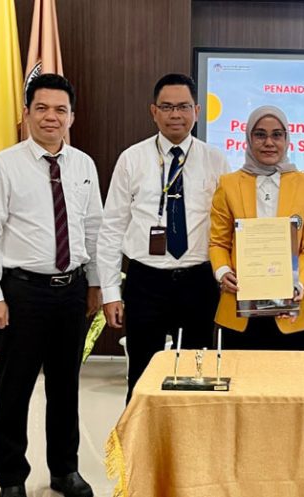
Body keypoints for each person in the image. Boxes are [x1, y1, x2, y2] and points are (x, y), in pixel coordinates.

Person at [0, 74, 101, 497]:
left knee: (66, 387)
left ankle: (65, 470)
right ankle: (12, 479)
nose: (51, 117)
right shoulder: (4, 165)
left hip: (72, 291)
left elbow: (93, 229)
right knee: (15, 389)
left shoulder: (83, 165)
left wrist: (95, 283)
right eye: (42, 108)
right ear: (26, 113)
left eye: (60, 110)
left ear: (72, 117)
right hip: (22, 293)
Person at [97, 74, 229, 401]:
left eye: (183, 106)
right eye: (167, 107)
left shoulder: (215, 160)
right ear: (153, 111)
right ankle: (140, 436)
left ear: (197, 111)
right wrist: (110, 292)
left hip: (198, 281)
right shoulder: (132, 158)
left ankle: (192, 435)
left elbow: (226, 225)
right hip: (146, 281)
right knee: (142, 377)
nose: (175, 114)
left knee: (197, 377)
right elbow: (111, 227)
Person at [210, 105, 304, 349]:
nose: (269, 142)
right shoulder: (228, 184)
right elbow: (218, 242)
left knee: (292, 375)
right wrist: (223, 272)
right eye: (260, 134)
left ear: (286, 139)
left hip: (292, 308)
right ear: (249, 138)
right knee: (240, 373)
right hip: (241, 306)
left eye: (277, 135)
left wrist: (298, 283)